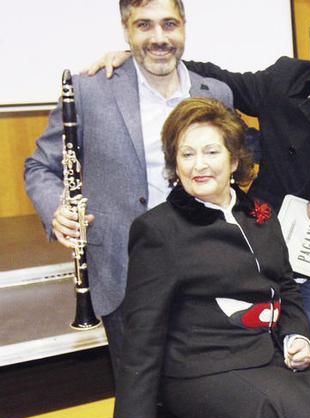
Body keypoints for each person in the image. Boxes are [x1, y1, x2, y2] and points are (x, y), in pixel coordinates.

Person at [89, 4, 310, 363]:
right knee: (246, 347)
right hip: (260, 242)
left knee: (304, 350)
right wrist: (141, 58)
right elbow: (219, 80)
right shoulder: (285, 80)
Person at [94, 97, 310, 418]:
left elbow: (286, 289)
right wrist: (131, 415)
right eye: (186, 154)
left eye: (211, 151)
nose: (199, 164)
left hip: (263, 357)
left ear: (233, 158)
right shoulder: (158, 229)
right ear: (175, 164)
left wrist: (296, 336)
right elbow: (142, 328)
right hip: (200, 371)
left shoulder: (258, 213)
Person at [24, 0, 234, 379]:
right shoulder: (88, 89)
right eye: (144, 26)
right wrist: (58, 210)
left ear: (184, 26)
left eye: (169, 24)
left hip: (204, 265)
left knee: (209, 384)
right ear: (126, 30)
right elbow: (40, 165)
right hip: (123, 268)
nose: (159, 37)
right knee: (139, 394)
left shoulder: (216, 93)